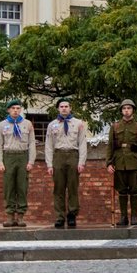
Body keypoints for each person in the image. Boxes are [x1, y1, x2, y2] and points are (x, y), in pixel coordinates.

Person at [45, 97, 87, 228]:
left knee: (73, 188)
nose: (64, 108)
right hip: (58, 156)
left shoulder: (78, 123)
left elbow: (82, 144)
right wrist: (49, 164)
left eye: (66, 106)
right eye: (61, 106)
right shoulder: (52, 125)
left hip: (73, 155)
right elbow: (48, 145)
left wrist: (81, 162)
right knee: (59, 189)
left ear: (70, 108)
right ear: (58, 108)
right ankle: (59, 216)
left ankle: (72, 215)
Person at [106, 99, 137, 227]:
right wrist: (108, 163)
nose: (126, 111)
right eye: (124, 108)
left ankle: (134, 216)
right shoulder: (115, 126)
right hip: (119, 162)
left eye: (129, 108)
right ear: (121, 111)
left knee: (134, 190)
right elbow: (110, 146)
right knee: (122, 191)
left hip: (134, 162)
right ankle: (123, 216)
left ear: (133, 110)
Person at [0, 99, 36, 227]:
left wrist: (31, 161)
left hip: (22, 156)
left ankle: (21, 216)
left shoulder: (27, 124)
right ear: (8, 110)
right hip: (9, 157)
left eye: (18, 108)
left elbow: (32, 143)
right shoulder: (2, 125)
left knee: (22, 187)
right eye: (13, 108)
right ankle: (10, 216)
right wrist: (0, 162)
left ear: (21, 110)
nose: (15, 110)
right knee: (9, 187)